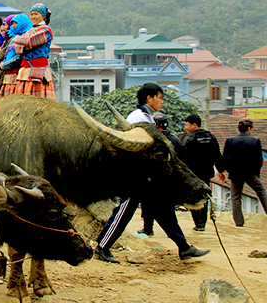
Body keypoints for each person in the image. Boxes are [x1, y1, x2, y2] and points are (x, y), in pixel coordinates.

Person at [95, 83, 210, 264]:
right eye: (160, 97)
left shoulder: (146, 117)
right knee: (125, 210)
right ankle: (102, 246)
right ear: (149, 98)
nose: (162, 101)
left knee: (163, 210)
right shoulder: (137, 117)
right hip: (136, 176)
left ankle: (184, 247)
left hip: (148, 177)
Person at [137, 112, 184, 236]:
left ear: (155, 125)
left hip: (153, 179)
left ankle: (148, 228)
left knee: (147, 205)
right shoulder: (175, 140)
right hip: (170, 180)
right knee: (169, 206)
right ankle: (173, 230)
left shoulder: (151, 140)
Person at [182, 114, 226, 232]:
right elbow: (217, 154)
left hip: (193, 175)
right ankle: (203, 223)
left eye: (187, 125)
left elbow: (183, 158)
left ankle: (198, 223)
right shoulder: (210, 137)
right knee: (204, 195)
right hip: (206, 173)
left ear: (194, 124)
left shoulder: (188, 138)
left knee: (194, 197)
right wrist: (221, 170)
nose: (185, 128)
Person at [222, 119, 267, 227]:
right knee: (262, 192)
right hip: (250, 172)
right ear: (249, 129)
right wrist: (256, 173)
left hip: (235, 173)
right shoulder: (255, 140)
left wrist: (230, 171)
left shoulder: (230, 140)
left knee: (235, 197)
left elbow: (225, 158)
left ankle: (239, 222)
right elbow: (258, 160)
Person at [11, 3, 56, 100]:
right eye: (31, 14)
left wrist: (17, 39)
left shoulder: (46, 30)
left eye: (36, 14)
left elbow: (30, 41)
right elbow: (17, 48)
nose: (33, 17)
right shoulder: (29, 31)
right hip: (25, 70)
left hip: (39, 70)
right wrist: (26, 46)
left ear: (43, 16)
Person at [0, 14, 33, 99]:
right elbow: (4, 55)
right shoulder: (12, 38)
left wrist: (3, 65)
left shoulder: (24, 38)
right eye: (12, 23)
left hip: (16, 77)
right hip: (7, 78)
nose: (13, 26)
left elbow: (19, 58)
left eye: (15, 23)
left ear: (22, 24)